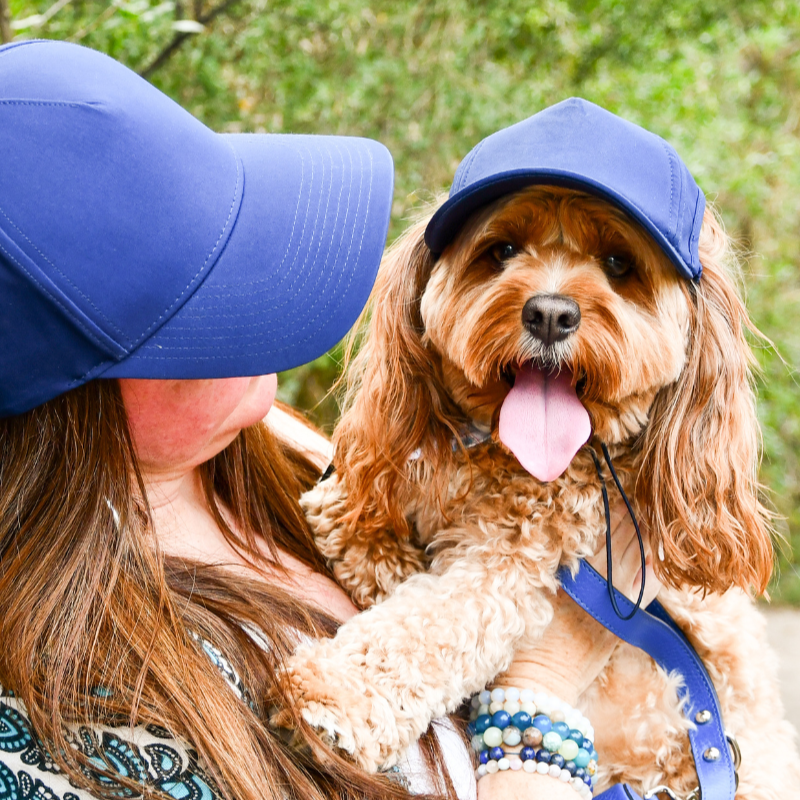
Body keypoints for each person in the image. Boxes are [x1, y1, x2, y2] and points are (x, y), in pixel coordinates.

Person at [0, 40, 658, 800]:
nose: (260, 300)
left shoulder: (288, 451)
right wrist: (542, 692)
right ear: (67, 401)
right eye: (204, 301)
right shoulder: (62, 717)